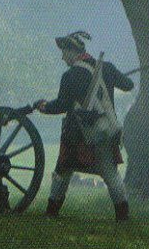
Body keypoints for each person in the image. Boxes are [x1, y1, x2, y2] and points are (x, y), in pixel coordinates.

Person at [34, 31, 134, 222]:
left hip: (77, 134)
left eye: (64, 52)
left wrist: (45, 106)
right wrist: (112, 77)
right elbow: (128, 85)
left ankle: (51, 213)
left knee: (63, 172)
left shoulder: (70, 75)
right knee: (110, 173)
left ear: (72, 51)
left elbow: (61, 105)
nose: (62, 57)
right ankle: (123, 216)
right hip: (105, 129)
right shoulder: (106, 68)